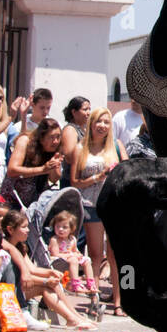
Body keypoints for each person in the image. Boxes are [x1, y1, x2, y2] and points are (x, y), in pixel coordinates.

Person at [71, 107, 128, 314]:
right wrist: (98, 177)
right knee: (96, 256)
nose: (102, 126)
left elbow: (128, 171)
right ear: (91, 124)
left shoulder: (117, 146)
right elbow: (74, 181)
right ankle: (95, 299)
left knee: (117, 257)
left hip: (114, 206)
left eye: (106, 122)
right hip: (91, 205)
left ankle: (121, 300)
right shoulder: (80, 149)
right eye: (99, 122)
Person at [0, 209, 93, 329]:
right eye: (24, 227)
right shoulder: (4, 249)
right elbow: (23, 277)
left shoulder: (20, 247)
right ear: (11, 230)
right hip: (7, 291)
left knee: (51, 283)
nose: (28, 230)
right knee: (47, 286)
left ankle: (74, 316)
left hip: (20, 289)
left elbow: (32, 269)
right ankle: (72, 318)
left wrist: (51, 272)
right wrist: (45, 281)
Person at [1, 117, 63, 207]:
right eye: (51, 137)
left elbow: (54, 179)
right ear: (41, 137)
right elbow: (12, 170)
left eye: (58, 137)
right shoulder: (25, 141)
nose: (56, 141)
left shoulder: (55, 149)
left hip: (33, 203)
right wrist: (42, 169)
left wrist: (54, 166)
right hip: (13, 199)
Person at [48, 209, 98, 296]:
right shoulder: (54, 240)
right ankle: (75, 284)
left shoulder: (72, 239)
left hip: (70, 260)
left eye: (64, 227)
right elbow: (55, 254)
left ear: (71, 229)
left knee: (87, 260)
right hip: (58, 260)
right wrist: (71, 255)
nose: (60, 229)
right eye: (58, 226)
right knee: (74, 260)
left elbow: (75, 250)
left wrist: (78, 254)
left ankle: (91, 283)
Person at [60, 97, 91, 186]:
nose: (88, 113)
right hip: (71, 181)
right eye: (85, 109)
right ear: (74, 112)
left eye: (89, 109)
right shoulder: (70, 129)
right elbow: (69, 157)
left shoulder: (85, 130)